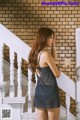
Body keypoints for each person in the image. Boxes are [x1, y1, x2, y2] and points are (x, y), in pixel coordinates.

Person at [28, 27, 61, 120]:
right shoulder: (46, 54)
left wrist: (52, 46)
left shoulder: (35, 54)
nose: (53, 40)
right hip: (50, 92)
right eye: (51, 37)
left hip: (39, 92)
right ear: (44, 38)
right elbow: (57, 75)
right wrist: (59, 68)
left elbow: (48, 64)